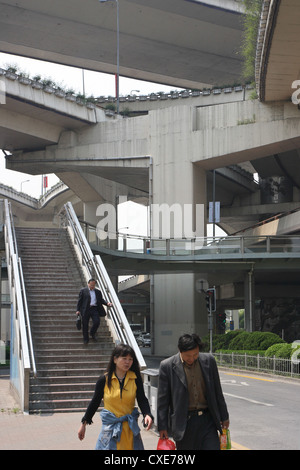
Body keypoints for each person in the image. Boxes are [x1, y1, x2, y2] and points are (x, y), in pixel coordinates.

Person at [157, 333, 229, 450]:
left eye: (195, 354)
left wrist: (224, 416)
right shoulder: (167, 366)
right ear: (180, 351)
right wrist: (162, 426)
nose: (191, 358)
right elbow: (163, 400)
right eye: (188, 356)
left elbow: (217, 391)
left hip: (208, 420)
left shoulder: (209, 361)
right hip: (184, 423)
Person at [78, 343, 153, 450]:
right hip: (110, 429)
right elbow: (95, 402)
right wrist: (84, 424)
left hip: (130, 430)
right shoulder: (104, 380)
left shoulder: (135, 379)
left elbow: (142, 399)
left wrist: (147, 414)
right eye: (124, 358)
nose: (128, 362)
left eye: (130, 359)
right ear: (115, 359)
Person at [76, 278, 112, 344]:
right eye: (91, 285)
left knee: (97, 322)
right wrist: (78, 310)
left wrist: (107, 303)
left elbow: (101, 300)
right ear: (88, 284)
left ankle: (92, 333)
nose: (92, 286)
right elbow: (80, 301)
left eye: (94, 285)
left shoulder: (98, 292)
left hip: (94, 309)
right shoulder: (83, 291)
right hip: (85, 309)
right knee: (85, 325)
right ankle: (86, 339)